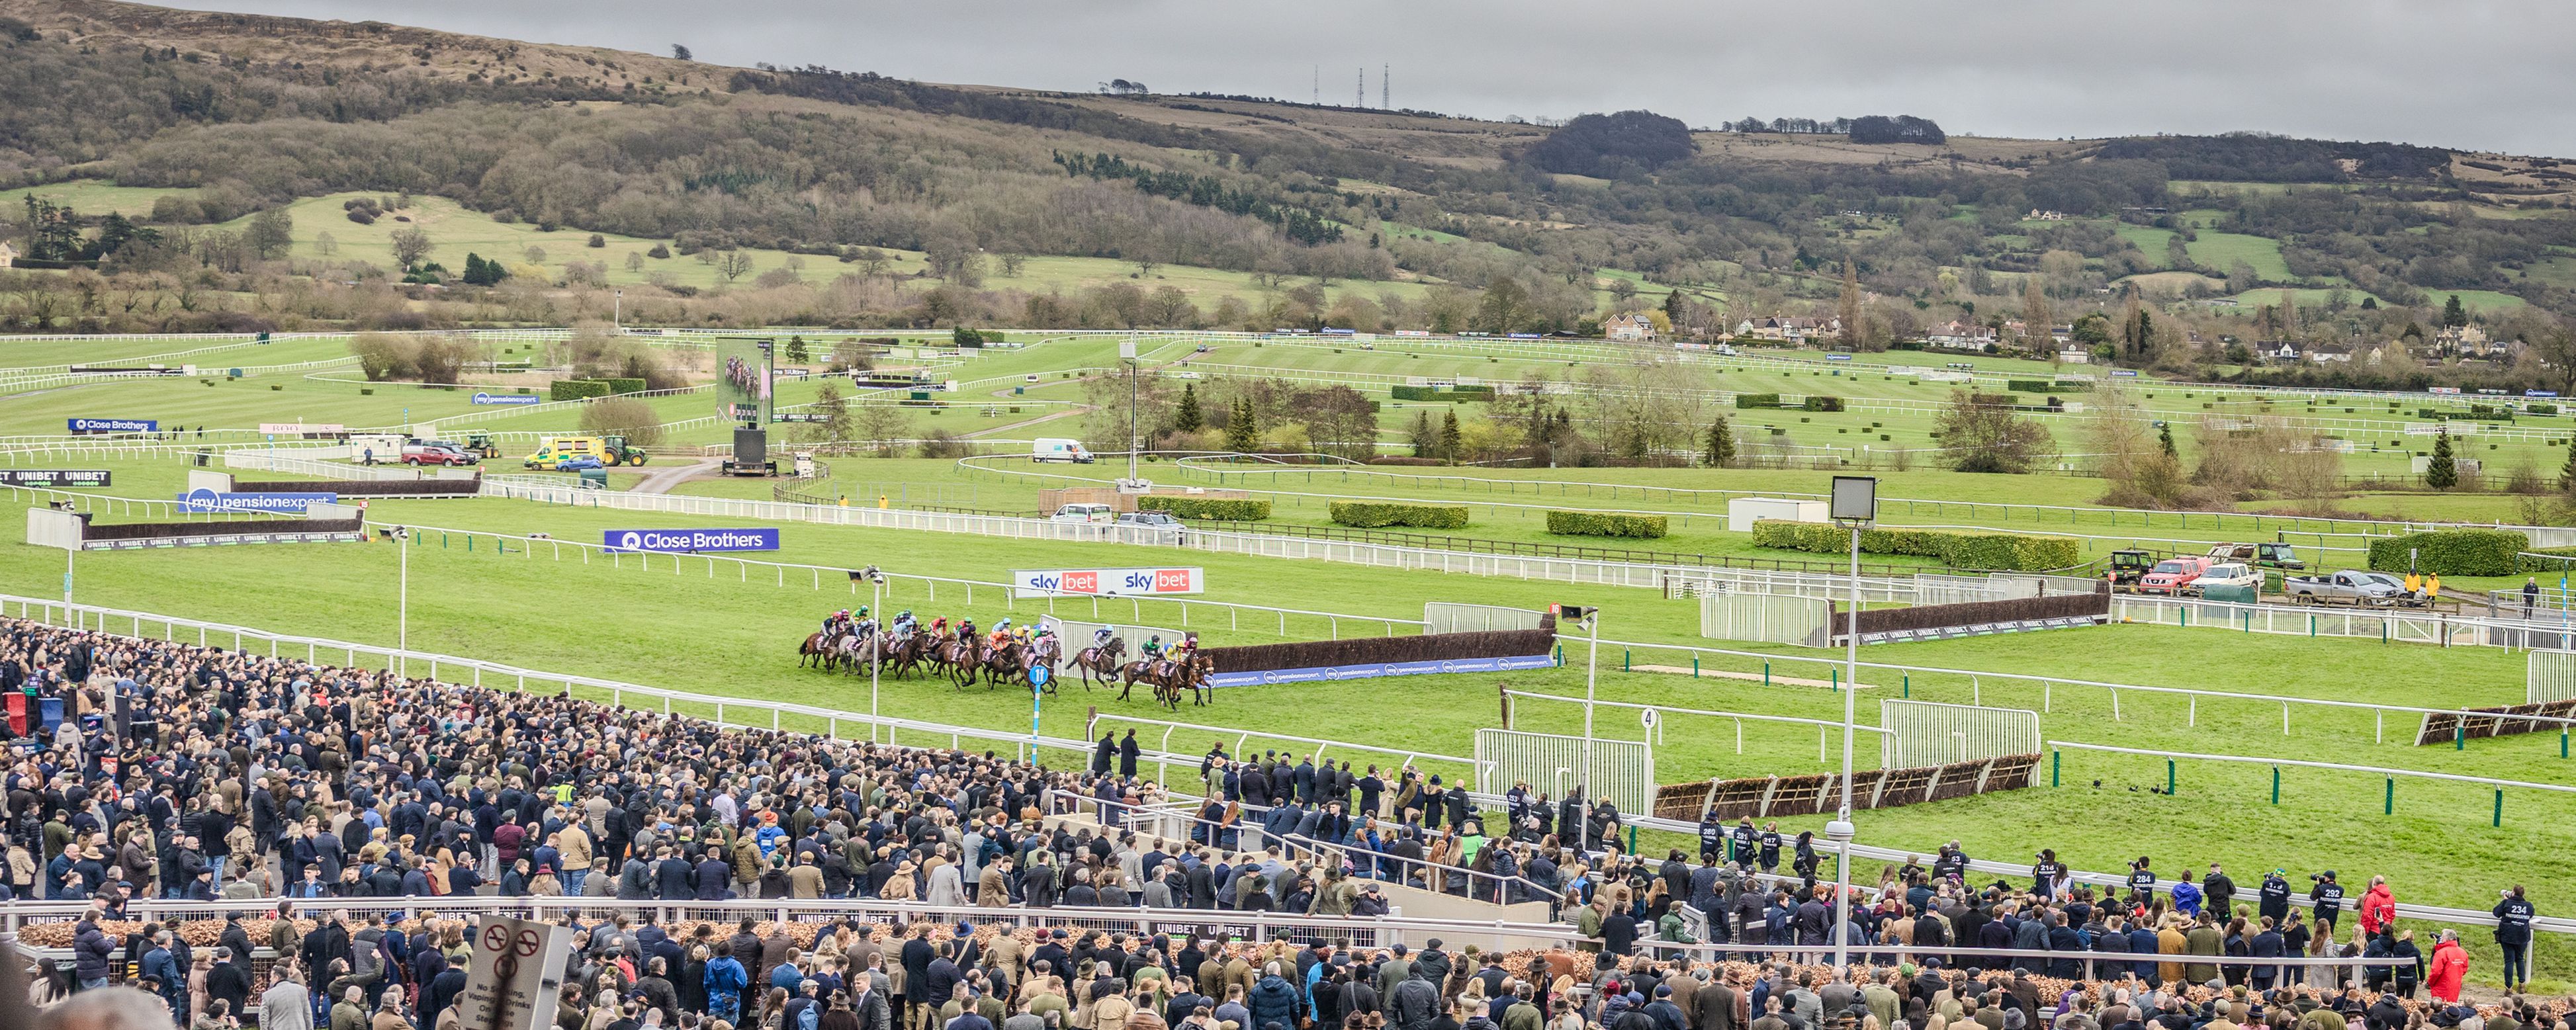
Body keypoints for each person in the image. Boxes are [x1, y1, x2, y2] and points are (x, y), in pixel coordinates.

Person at [2493, 884, 2535, 991]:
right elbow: (2531, 915)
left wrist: (2506, 901)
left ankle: (2509, 988)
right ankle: (2522, 985)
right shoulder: (2528, 905)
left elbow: (2496, 913)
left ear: (2513, 893)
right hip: (2522, 936)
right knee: (2520, 959)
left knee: (2509, 961)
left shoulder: (2507, 903)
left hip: (2507, 936)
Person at [2422, 929, 2465, 1004]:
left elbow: (2435, 972)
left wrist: (2430, 983)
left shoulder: (2441, 953)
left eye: (2442, 938)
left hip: (2441, 987)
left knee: (2439, 1008)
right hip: (2455, 986)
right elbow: (2464, 969)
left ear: (2445, 939)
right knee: (2451, 1007)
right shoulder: (2463, 952)